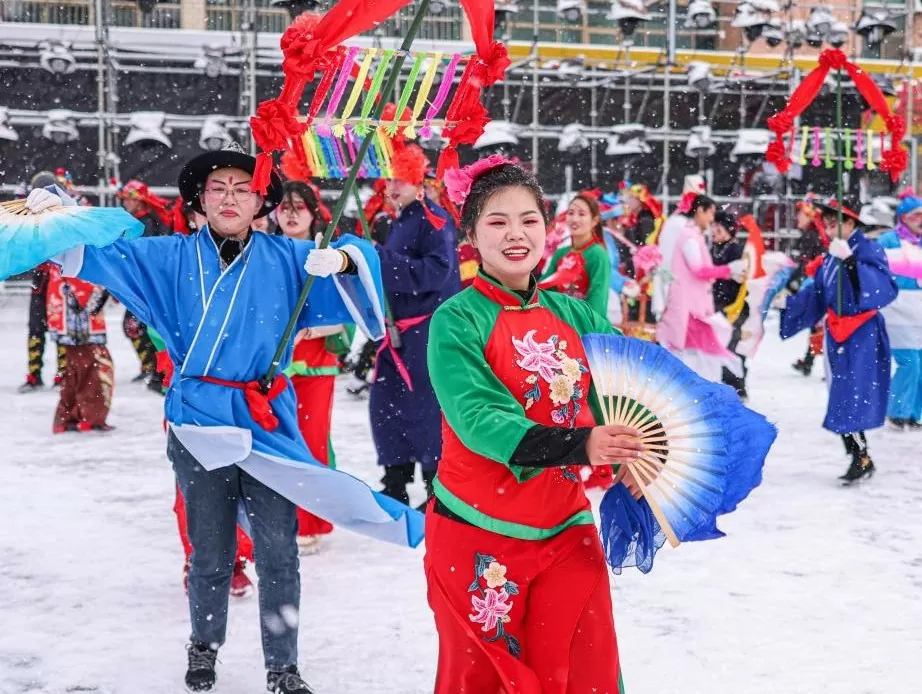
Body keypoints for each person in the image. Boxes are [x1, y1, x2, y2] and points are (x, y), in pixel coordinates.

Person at [46, 141, 414, 694]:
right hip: (197, 419)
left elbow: (362, 262)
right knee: (211, 550)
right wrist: (57, 219)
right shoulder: (170, 256)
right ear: (198, 200)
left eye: (242, 188)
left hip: (265, 421)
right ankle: (204, 647)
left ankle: (282, 665)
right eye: (217, 188)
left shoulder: (290, 259)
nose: (229, 197)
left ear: (258, 201)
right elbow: (101, 255)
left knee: (279, 551)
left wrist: (340, 259)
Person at [425, 157, 643, 693]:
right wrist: (585, 443)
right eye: (497, 222)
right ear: (471, 234)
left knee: (584, 669)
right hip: (477, 530)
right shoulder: (457, 319)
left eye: (529, 219)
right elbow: (481, 421)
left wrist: (644, 454)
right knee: (484, 681)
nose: (516, 233)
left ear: (547, 229)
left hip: (566, 526)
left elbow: (628, 392)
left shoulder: (577, 317)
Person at [781, 198, 898, 483]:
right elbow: (818, 294)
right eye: (828, 223)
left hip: (862, 334)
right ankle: (859, 455)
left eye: (836, 223)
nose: (830, 228)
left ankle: (861, 456)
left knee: (851, 398)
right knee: (842, 397)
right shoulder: (832, 254)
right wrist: (787, 304)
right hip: (838, 334)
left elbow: (883, 287)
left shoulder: (867, 248)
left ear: (851, 223)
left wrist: (852, 263)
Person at [373, 144, 461, 508]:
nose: (392, 187)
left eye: (400, 179)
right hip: (399, 329)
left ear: (417, 181)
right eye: (389, 178)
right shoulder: (400, 219)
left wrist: (382, 261)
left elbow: (437, 272)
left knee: (425, 407)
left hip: (426, 329)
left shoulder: (433, 219)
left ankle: (434, 487)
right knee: (388, 403)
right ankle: (396, 479)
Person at [277, 180, 344, 551]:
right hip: (275, 369)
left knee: (312, 441)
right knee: (277, 444)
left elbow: (344, 313)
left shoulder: (328, 255)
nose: (290, 213)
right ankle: (276, 520)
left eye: (298, 206)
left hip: (316, 367)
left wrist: (309, 329)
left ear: (312, 213)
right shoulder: (265, 250)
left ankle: (309, 522)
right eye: (284, 206)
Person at [655, 194, 746, 382]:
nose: (712, 219)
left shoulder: (692, 234)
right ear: (699, 211)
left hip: (693, 306)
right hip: (689, 307)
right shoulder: (688, 236)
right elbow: (698, 270)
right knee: (697, 353)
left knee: (700, 352)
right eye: (710, 213)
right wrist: (728, 270)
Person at [45, 261, 114, 433]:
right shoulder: (77, 243)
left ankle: (68, 417)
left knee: (75, 369)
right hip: (79, 316)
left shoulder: (62, 243)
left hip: (65, 309)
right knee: (95, 366)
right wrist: (104, 286)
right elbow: (81, 276)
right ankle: (90, 417)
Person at [18, 170, 70, 393]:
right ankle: (36, 373)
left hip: (58, 278)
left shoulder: (64, 216)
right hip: (43, 279)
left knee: (59, 326)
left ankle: (61, 373)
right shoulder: (29, 218)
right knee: (37, 326)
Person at [116, 180, 171, 384]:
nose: (126, 203)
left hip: (147, 284)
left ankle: (156, 367)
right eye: (125, 199)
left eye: (130, 199)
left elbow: (144, 256)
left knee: (137, 325)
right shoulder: (138, 222)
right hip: (141, 283)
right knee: (137, 325)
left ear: (139, 202)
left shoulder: (146, 223)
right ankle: (153, 366)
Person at [876, 194, 922, 430]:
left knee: (920, 364)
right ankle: (897, 410)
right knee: (909, 362)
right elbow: (875, 271)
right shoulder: (889, 240)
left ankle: (913, 413)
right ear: (903, 217)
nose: (920, 219)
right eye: (916, 214)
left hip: (919, 312)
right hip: (897, 311)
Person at [538, 191, 612, 319]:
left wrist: (589, 326)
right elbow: (544, 289)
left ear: (594, 221)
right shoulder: (562, 253)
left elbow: (598, 297)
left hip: (583, 322)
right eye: (571, 213)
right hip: (559, 320)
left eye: (581, 214)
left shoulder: (597, 254)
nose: (574, 219)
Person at [710, 209, 749, 398]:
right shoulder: (713, 249)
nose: (714, 230)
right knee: (719, 345)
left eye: (718, 227)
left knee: (732, 345)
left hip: (735, 306)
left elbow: (743, 279)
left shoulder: (737, 250)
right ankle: (728, 383)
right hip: (717, 304)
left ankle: (737, 385)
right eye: (713, 226)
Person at [789, 196, 828, 377]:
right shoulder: (816, 234)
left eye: (801, 214)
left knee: (818, 323)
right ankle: (809, 361)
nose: (798, 217)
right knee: (817, 323)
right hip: (820, 283)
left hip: (816, 283)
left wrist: (790, 281)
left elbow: (806, 264)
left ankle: (822, 363)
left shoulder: (810, 236)